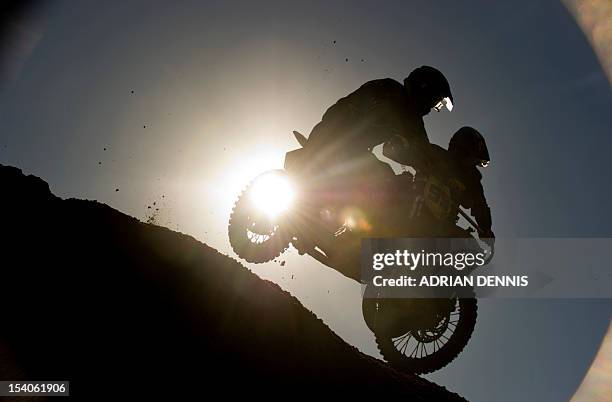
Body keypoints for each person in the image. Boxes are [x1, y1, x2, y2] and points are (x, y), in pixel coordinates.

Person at [303, 66, 454, 176]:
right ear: (424, 89)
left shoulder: (413, 119)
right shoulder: (389, 90)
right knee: (383, 177)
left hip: (354, 156)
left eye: (437, 105)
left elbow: (419, 147)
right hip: (330, 144)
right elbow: (338, 114)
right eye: (435, 101)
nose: (433, 107)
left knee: (394, 185)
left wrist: (436, 167)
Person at [386, 126, 494, 246]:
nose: (473, 165)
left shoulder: (471, 179)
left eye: (476, 162)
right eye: (474, 161)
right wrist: (398, 146)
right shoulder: (434, 153)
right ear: (465, 151)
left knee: (469, 247)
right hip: (411, 207)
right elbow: (401, 152)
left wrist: (486, 228)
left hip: (440, 226)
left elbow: (480, 204)